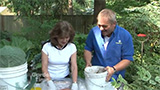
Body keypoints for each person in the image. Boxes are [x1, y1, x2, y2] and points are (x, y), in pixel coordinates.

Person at [84, 9, 134, 83]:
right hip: (96, 76)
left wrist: (113, 69)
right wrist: (88, 62)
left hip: (116, 79)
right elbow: (88, 49)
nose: (101, 28)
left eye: (104, 26)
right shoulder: (94, 32)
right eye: (99, 25)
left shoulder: (125, 35)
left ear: (114, 24)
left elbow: (127, 59)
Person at [41, 21, 78, 90]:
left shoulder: (72, 47)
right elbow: (44, 67)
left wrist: (74, 83)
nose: (64, 40)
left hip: (65, 78)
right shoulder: (47, 47)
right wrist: (50, 83)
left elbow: (74, 66)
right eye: (61, 38)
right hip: (49, 79)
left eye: (67, 37)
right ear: (56, 36)